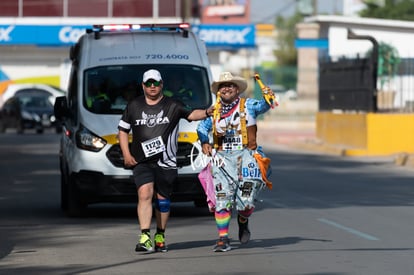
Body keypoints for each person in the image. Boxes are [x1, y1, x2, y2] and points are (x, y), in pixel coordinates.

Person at [118, 69, 214, 253]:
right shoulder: (134, 106)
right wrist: (126, 154)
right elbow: (122, 130)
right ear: (143, 86)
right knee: (145, 193)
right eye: (148, 83)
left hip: (166, 162)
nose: (152, 86)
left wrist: (209, 112)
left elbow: (193, 114)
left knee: (163, 200)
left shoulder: (173, 105)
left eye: (156, 83)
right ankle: (145, 237)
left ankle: (160, 235)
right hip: (142, 161)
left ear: (162, 84)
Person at [196, 71, 274, 252]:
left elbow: (265, 105)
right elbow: (202, 127)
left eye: (230, 85)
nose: (226, 88)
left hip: (247, 158)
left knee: (246, 202)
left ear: (237, 89)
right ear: (218, 91)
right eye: (222, 86)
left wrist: (268, 97)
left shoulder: (250, 105)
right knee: (222, 199)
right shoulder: (213, 111)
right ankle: (223, 239)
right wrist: (205, 142)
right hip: (222, 160)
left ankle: (243, 219)